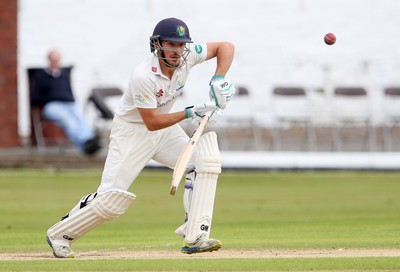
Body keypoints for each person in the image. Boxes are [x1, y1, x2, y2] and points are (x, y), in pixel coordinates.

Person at [46, 17, 235, 258]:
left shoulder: (187, 55)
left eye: (181, 45)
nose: (178, 51)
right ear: (157, 45)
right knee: (110, 200)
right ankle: (59, 234)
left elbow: (225, 47)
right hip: (133, 133)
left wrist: (218, 79)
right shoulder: (143, 75)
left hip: (165, 130)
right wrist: (190, 112)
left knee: (203, 163)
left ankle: (195, 235)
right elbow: (152, 122)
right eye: (171, 44)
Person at [31, 50, 101, 155]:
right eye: (52, 59)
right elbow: (35, 96)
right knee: (68, 120)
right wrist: (48, 99)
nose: (55, 62)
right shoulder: (41, 76)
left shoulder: (64, 75)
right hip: (51, 105)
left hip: (69, 104)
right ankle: (85, 143)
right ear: (48, 60)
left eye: (57, 60)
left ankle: (90, 141)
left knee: (80, 117)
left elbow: (69, 91)